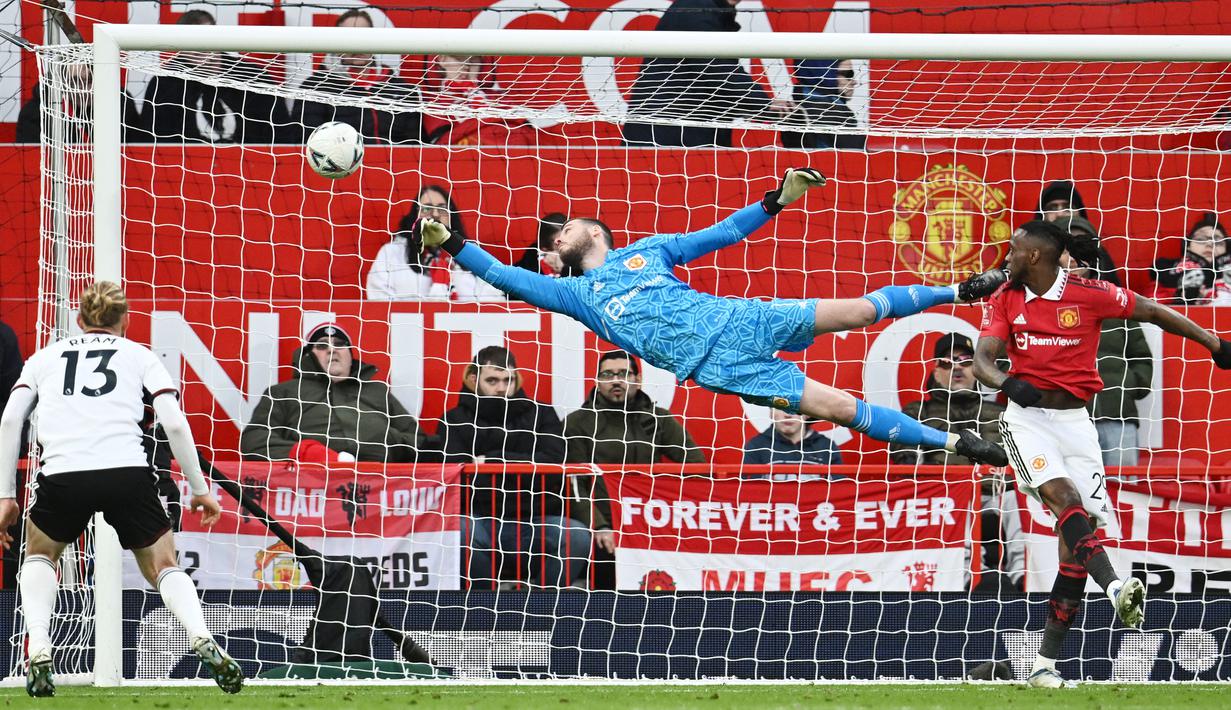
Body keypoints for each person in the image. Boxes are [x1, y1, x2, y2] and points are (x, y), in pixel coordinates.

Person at [420, 168, 1010, 466]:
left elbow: (724, 233)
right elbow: (501, 276)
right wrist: (450, 243)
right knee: (835, 409)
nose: (557, 237)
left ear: (595, 233)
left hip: (742, 318)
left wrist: (778, 199)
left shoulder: (650, 249)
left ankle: (960, 289)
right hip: (720, 366)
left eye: (566, 227)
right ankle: (960, 442)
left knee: (857, 310)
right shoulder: (573, 295)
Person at [972, 220, 1231, 687]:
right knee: (1062, 497)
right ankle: (1115, 587)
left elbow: (1152, 311)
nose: (1005, 257)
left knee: (1078, 537)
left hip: (1077, 425)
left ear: (1035, 256)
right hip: (1026, 422)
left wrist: (1215, 344)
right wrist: (1010, 384)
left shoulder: (1091, 294)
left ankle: (1043, 665)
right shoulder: (1005, 298)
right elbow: (983, 361)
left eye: (1013, 250)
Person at [0, 281, 243, 696]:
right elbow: (175, 423)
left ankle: (39, 647)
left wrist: (6, 494)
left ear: (78, 321)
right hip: (126, 473)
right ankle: (201, 636)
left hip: (63, 473)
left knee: (41, 554)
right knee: (164, 565)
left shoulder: (43, 358)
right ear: (126, 321)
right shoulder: (140, 355)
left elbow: (10, 420)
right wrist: (201, 489)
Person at [438, 346, 589, 588]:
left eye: (508, 380)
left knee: (577, 536)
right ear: (474, 379)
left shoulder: (542, 413)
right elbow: (454, 473)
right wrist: (524, 465)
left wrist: (493, 460)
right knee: (459, 530)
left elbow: (554, 462)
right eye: (492, 380)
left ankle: (541, 609)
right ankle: (486, 608)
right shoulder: (453, 419)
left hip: (533, 517)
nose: (501, 387)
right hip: (479, 518)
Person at [565, 349, 704, 571]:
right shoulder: (577, 423)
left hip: (655, 523)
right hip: (606, 529)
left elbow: (696, 464)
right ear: (598, 381)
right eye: (607, 375)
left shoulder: (659, 419)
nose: (616, 380)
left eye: (624, 374)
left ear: (637, 380)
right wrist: (599, 525)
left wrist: (672, 511)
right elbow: (574, 485)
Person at [241, 324, 434, 463]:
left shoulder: (378, 391)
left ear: (351, 355)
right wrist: (307, 453)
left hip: (377, 484)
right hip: (308, 485)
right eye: (322, 345)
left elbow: (418, 441)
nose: (332, 349)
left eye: (340, 344)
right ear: (307, 356)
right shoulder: (283, 392)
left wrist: (387, 439)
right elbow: (253, 441)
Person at [622, 0, 789, 148]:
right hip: (663, 141)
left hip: (683, 140)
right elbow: (718, 70)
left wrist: (763, 106)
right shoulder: (694, 7)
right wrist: (765, 105)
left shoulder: (713, 11)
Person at [1056, 218, 1154, 467]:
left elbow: (1141, 356)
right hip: (1061, 421)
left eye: (1082, 247)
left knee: (1124, 495)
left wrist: (1128, 385)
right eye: (1067, 249)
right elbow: (1006, 357)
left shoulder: (1117, 301)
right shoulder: (1034, 303)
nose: (1075, 257)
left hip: (1118, 417)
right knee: (1069, 495)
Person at [131, 10, 292, 144]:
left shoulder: (253, 78)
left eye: (205, 37)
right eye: (191, 41)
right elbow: (151, 143)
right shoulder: (165, 85)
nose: (200, 46)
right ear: (180, 47)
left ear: (218, 37)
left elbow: (282, 137)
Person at [293, 9, 425, 144]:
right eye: (350, 38)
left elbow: (415, 144)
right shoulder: (313, 89)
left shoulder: (402, 89)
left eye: (363, 37)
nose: (358, 45)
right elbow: (308, 142)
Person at [890, 333, 1005, 466]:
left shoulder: (1001, 414)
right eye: (947, 361)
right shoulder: (918, 412)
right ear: (936, 374)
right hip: (939, 485)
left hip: (992, 486)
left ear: (976, 371)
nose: (957, 366)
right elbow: (905, 454)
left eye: (965, 360)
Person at [780, 59, 863, 150]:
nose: (854, 82)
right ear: (826, 74)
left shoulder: (798, 109)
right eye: (848, 74)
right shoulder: (830, 114)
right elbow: (853, 159)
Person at [1152, 212, 1230, 305]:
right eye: (1201, 239)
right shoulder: (1167, 269)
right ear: (1187, 245)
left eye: (1217, 241)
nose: (1210, 244)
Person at [742, 409, 842, 480]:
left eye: (795, 408)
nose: (788, 415)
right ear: (771, 412)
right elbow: (749, 491)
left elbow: (839, 489)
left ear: (807, 414)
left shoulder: (826, 446)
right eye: (781, 407)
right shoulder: (756, 446)